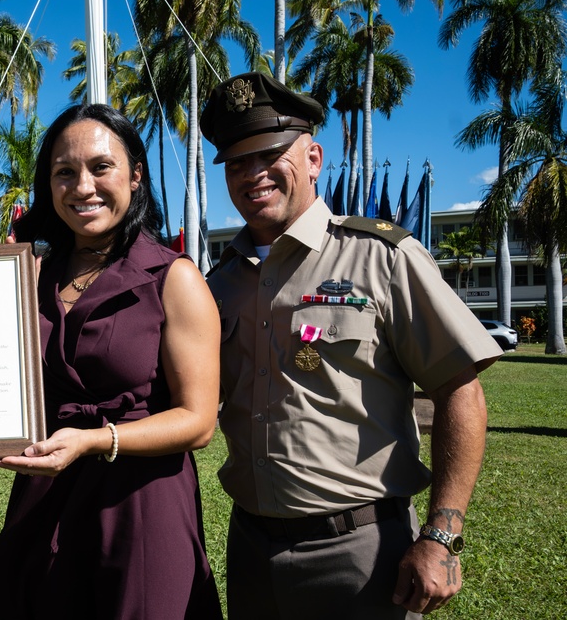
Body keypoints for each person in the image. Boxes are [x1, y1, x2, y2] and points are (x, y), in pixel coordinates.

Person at [200, 71, 502, 619]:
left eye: (270, 152)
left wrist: (443, 535)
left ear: (313, 158)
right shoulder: (218, 284)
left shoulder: (382, 257)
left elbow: (461, 391)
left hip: (362, 553)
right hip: (250, 547)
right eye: (235, 162)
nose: (253, 173)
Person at [0, 104, 223, 619]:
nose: (83, 186)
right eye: (64, 172)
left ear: (136, 175)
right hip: (46, 496)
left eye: (101, 167)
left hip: (140, 503)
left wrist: (96, 441)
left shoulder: (174, 278)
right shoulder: (32, 274)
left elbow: (198, 421)